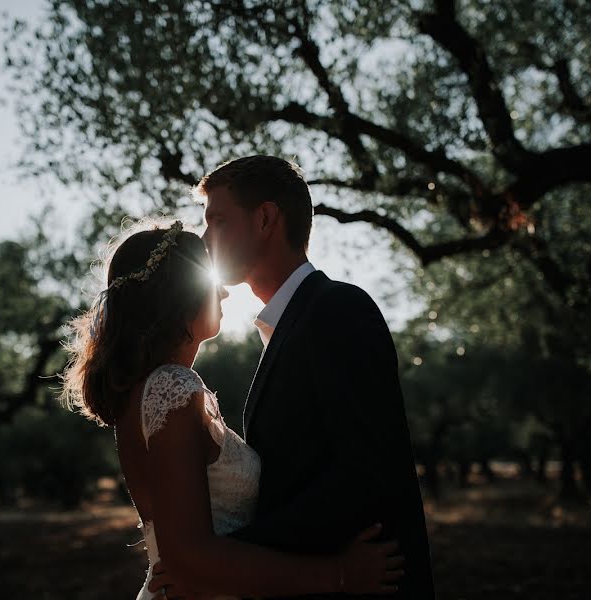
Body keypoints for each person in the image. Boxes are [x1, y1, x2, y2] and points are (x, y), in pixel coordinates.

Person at [63, 218, 404, 599]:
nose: (224, 293)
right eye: (211, 281)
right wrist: (338, 576)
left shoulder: (148, 389)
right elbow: (190, 557)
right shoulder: (170, 387)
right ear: (180, 294)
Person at [151, 155, 436, 600]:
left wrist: (218, 558)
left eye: (218, 221)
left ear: (265, 218)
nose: (205, 240)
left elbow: (363, 472)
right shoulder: (289, 324)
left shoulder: (338, 310)